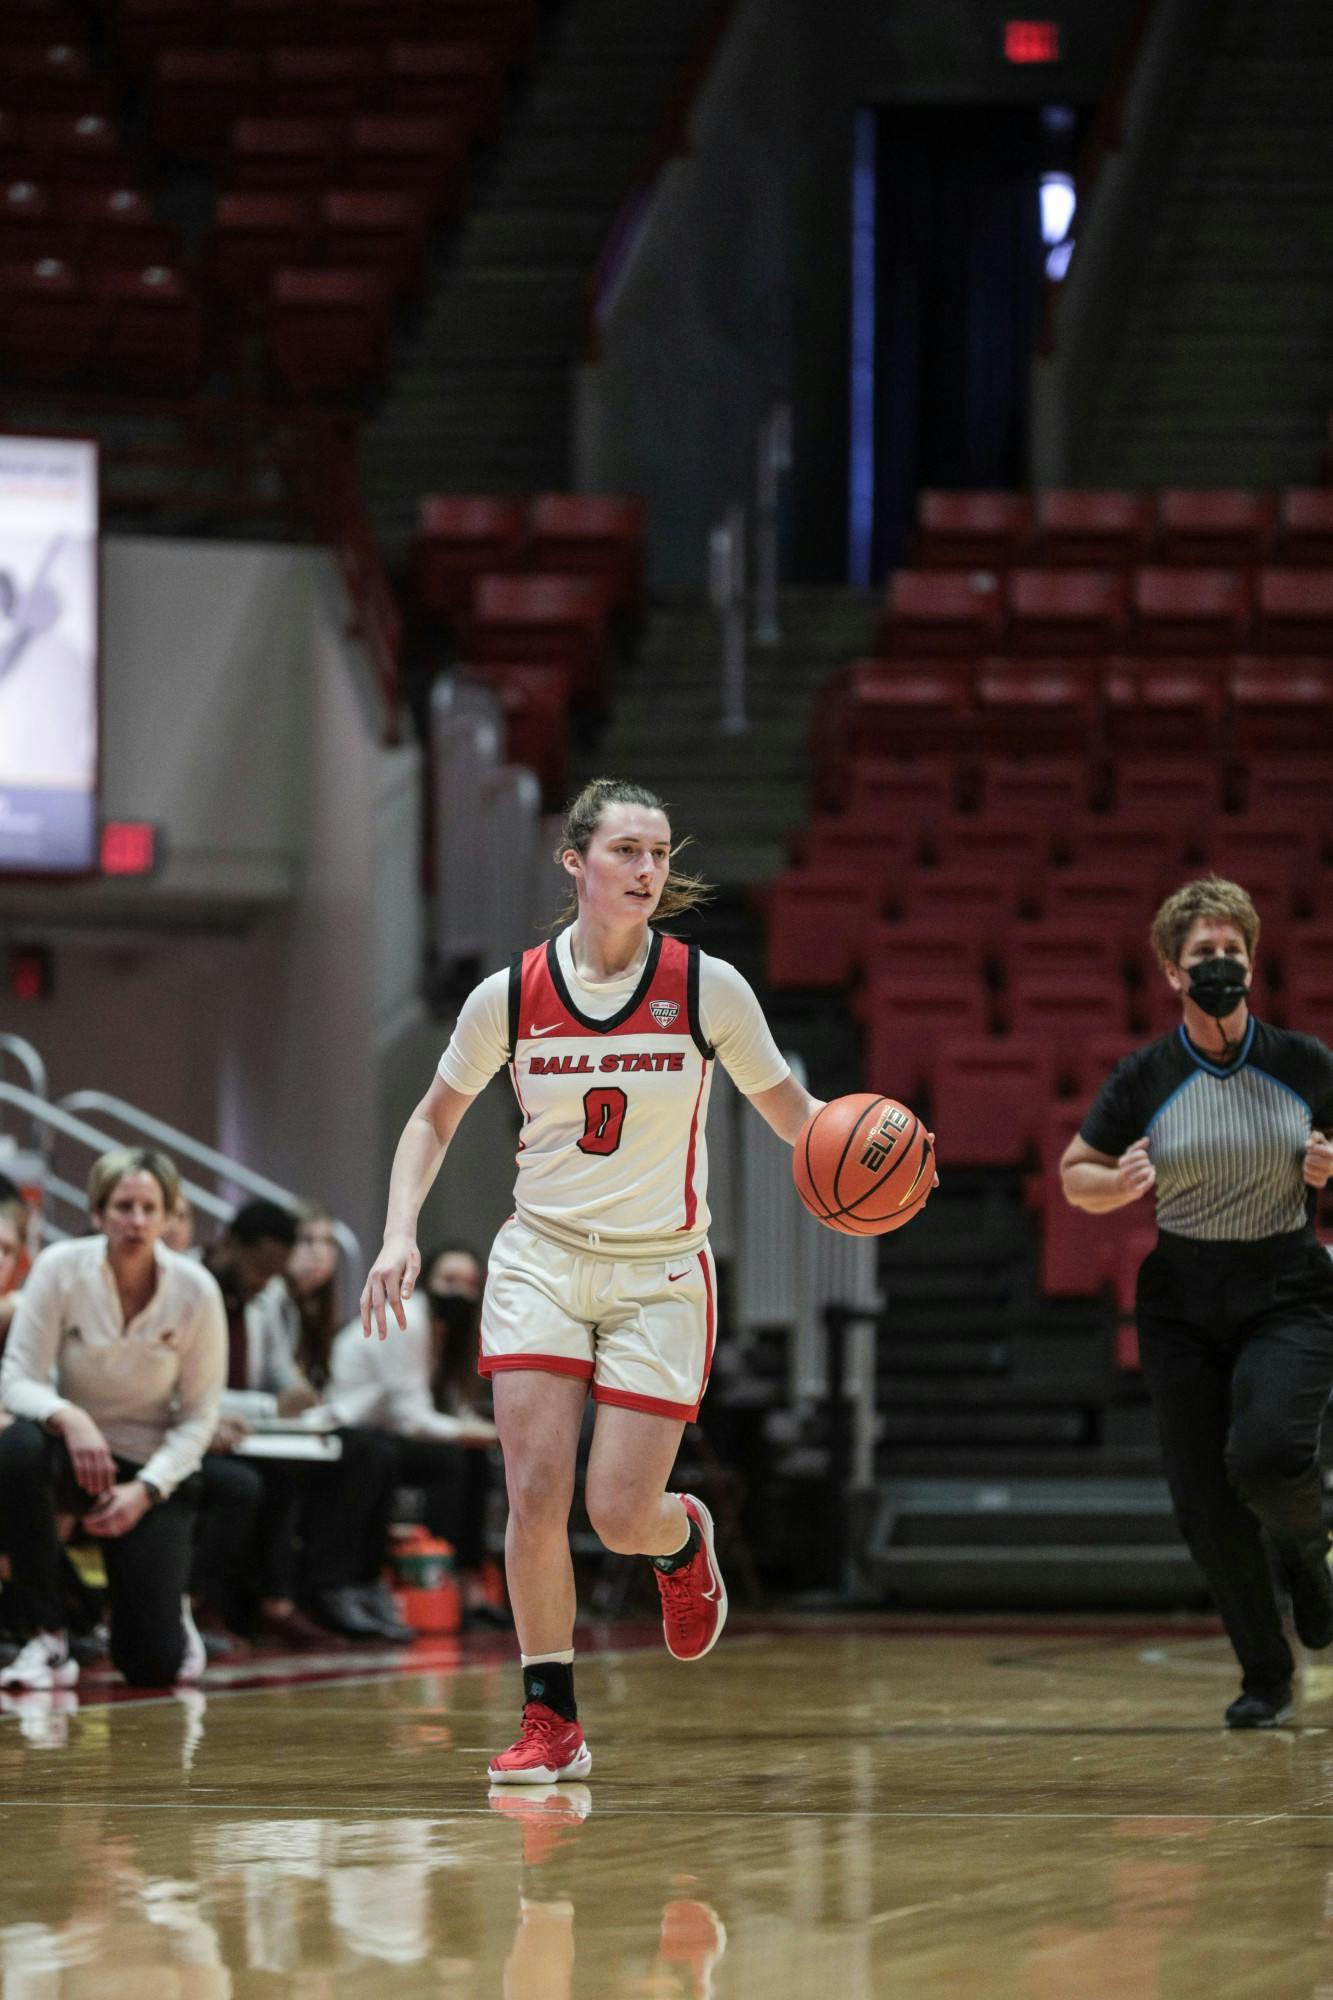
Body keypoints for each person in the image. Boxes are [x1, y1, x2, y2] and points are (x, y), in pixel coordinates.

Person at [362, 777, 849, 1785]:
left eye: (659, 853)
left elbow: (797, 1117)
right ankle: (550, 1716)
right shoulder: (509, 995)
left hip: (658, 1269)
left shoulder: (707, 987)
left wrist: (865, 1158)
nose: (646, 870)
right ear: (574, 860)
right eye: (626, 850)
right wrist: (398, 1230)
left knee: (619, 1512)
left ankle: (678, 1539)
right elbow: (431, 1118)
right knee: (534, 1492)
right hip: (541, 1257)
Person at [1061, 876, 1333, 1728]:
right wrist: (1116, 1183)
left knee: (1266, 1454)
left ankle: (1306, 1552)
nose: (1220, 964)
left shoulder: (1303, 1063)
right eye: (1202, 954)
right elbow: (1074, 1174)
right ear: (1172, 974)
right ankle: (1265, 1677)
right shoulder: (1145, 1075)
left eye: (1232, 951)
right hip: (1181, 1298)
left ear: (1251, 963)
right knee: (1204, 1507)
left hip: (1286, 1286)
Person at [0, 1147, 226, 1689]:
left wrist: (145, 1491)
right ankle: (47, 1635)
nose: (137, 1220)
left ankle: (171, 1608)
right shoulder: (60, 1268)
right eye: (124, 1206)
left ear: (169, 1217)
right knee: (17, 1448)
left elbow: (199, 1418)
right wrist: (69, 1417)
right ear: (98, 1213)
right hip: (71, 1453)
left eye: (150, 1208)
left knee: (153, 1666)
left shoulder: (197, 1290)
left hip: (149, 1467)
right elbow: (17, 1378)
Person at [329, 1241, 502, 1624]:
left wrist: (480, 1432)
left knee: (474, 1457)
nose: (459, 1292)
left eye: (469, 1284)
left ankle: (468, 1579)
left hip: (386, 1432)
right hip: (351, 1428)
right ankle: (433, 1577)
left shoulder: (449, 1332)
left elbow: (448, 1405)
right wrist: (481, 1432)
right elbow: (411, 1419)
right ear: (427, 1281)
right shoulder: (408, 1319)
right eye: (449, 1280)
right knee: (449, 1459)